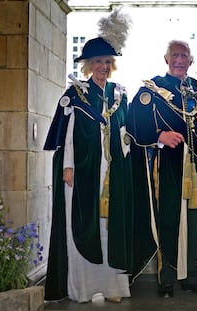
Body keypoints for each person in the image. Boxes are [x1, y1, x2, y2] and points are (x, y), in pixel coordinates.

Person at [126, 40, 197, 298]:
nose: (179, 60)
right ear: (166, 59)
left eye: (184, 55)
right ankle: (167, 278)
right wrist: (160, 135)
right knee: (169, 220)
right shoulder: (151, 89)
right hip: (168, 168)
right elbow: (132, 123)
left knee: (195, 222)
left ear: (191, 61)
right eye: (175, 55)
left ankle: (192, 276)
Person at [43, 8, 134, 303]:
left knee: (110, 229)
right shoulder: (76, 94)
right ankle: (82, 287)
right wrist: (67, 167)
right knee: (83, 226)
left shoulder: (121, 95)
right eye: (97, 62)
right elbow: (66, 135)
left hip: (114, 173)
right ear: (88, 65)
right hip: (83, 172)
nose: (103, 67)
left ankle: (113, 288)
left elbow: (126, 134)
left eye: (107, 62)